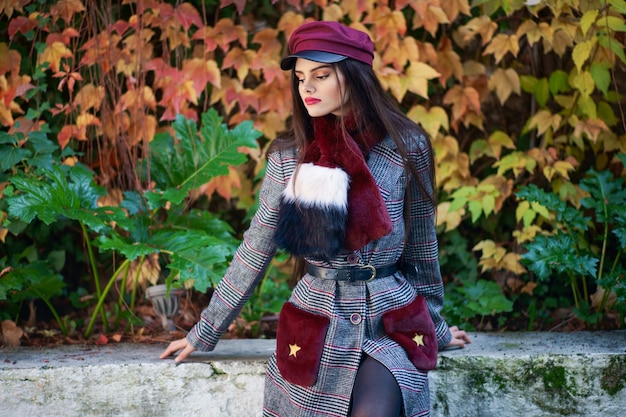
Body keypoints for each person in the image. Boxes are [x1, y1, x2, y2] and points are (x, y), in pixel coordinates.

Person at [161, 20, 471, 417]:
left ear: (356, 77)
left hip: (390, 322)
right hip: (318, 321)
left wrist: (436, 329)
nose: (306, 87)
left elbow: (423, 249)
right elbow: (256, 248)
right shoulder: (290, 156)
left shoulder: (406, 148)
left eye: (322, 76)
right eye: (302, 77)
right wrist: (206, 330)